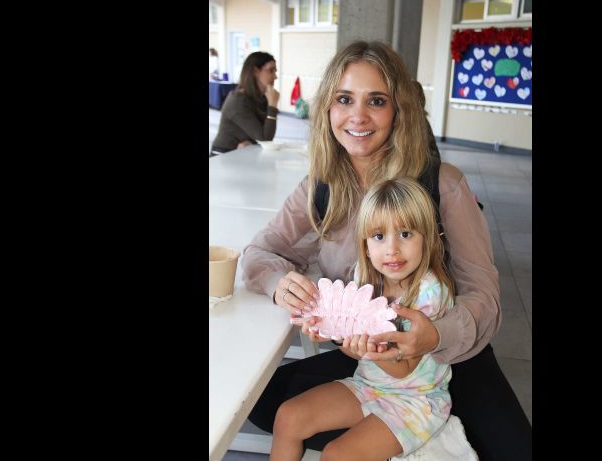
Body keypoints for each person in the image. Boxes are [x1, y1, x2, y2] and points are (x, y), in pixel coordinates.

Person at [241, 41, 531, 460]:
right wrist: (278, 283)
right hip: (370, 361)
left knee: (514, 451)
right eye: (344, 99)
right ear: (328, 109)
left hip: (449, 357)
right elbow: (259, 252)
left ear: (398, 111)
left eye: (376, 100)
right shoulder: (320, 187)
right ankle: (404, 437)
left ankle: (419, 431)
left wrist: (435, 334)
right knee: (268, 403)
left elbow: (485, 297)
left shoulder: (441, 185)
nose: (358, 116)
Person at [271, 177, 476, 460]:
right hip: (368, 385)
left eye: (405, 234)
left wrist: (366, 350)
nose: (392, 249)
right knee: (288, 417)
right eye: (379, 237)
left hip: (416, 400)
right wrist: (335, 334)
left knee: (337, 454)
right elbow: (352, 347)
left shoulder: (431, 292)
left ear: (426, 238)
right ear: (365, 244)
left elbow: (404, 370)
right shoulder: (364, 279)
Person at [210, 51, 280, 156]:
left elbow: (265, 137)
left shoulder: (261, 97)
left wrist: (252, 142)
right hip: (223, 156)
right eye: (271, 70)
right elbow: (265, 140)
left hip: (242, 153)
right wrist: (273, 106)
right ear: (255, 71)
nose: (275, 76)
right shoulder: (238, 101)